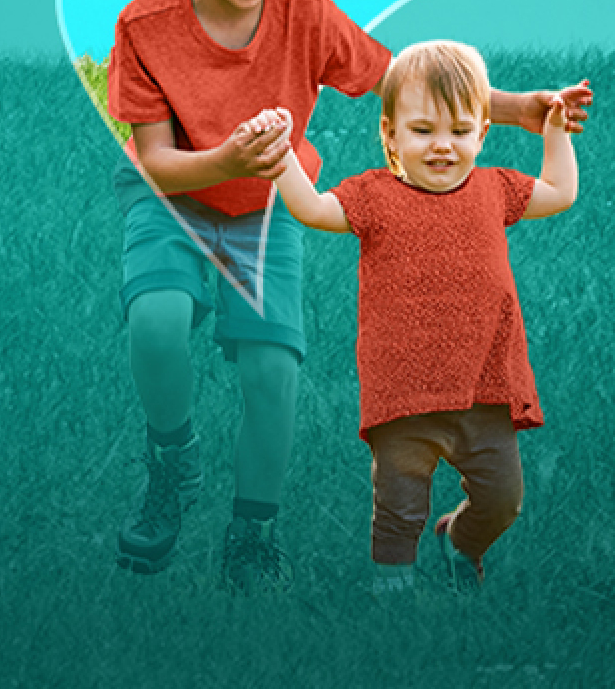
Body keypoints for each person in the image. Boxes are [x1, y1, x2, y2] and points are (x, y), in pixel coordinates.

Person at [107, 0, 591, 593]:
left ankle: (252, 532)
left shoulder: (304, 8)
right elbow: (157, 160)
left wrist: (519, 109)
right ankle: (173, 464)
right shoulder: (146, 25)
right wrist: (228, 158)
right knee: (157, 319)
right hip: (175, 201)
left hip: (267, 209)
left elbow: (402, 80)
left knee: (273, 370)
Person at [243, 39, 578, 595]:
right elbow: (313, 209)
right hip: (403, 393)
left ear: (482, 134)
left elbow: (560, 192)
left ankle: (458, 544)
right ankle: (391, 594)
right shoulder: (374, 196)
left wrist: (556, 133)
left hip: (485, 389)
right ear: (391, 133)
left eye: (458, 131)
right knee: (399, 504)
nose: (442, 146)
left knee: (503, 498)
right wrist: (281, 158)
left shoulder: (496, 189)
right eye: (422, 131)